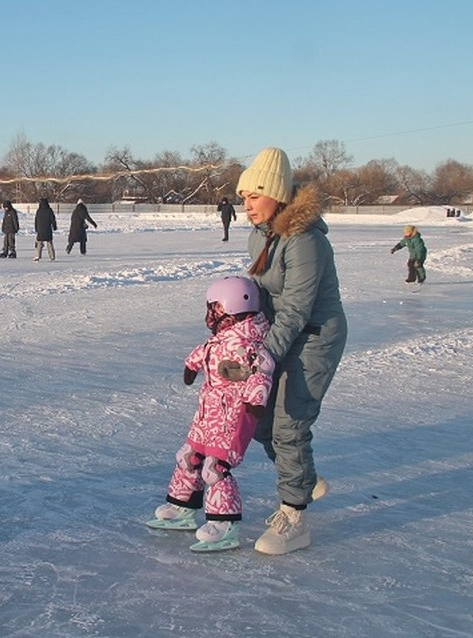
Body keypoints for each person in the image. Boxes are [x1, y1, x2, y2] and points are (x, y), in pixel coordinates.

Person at [239, 147, 347, 555]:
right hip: (284, 334)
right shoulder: (260, 236)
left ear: (278, 196)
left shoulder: (305, 241)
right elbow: (267, 298)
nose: (247, 205)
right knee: (261, 423)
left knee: (289, 423)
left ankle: (294, 515)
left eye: (255, 196)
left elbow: (299, 307)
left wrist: (266, 354)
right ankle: (304, 477)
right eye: (244, 197)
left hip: (316, 336)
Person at [146, 276, 274, 552]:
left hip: (234, 416)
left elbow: (262, 374)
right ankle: (182, 508)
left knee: (215, 469)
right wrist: (191, 365)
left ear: (232, 307)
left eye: (215, 308)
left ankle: (224, 523)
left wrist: (255, 401)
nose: (210, 314)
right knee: (188, 458)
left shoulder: (249, 343)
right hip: (208, 412)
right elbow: (204, 351)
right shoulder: (222, 338)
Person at [33, 197, 57, 262]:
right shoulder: (49, 210)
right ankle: (52, 257)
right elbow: (53, 219)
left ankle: (38, 256)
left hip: (40, 229)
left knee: (39, 243)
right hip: (48, 229)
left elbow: (36, 220)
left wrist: (36, 228)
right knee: (49, 243)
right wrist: (54, 226)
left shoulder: (39, 210)